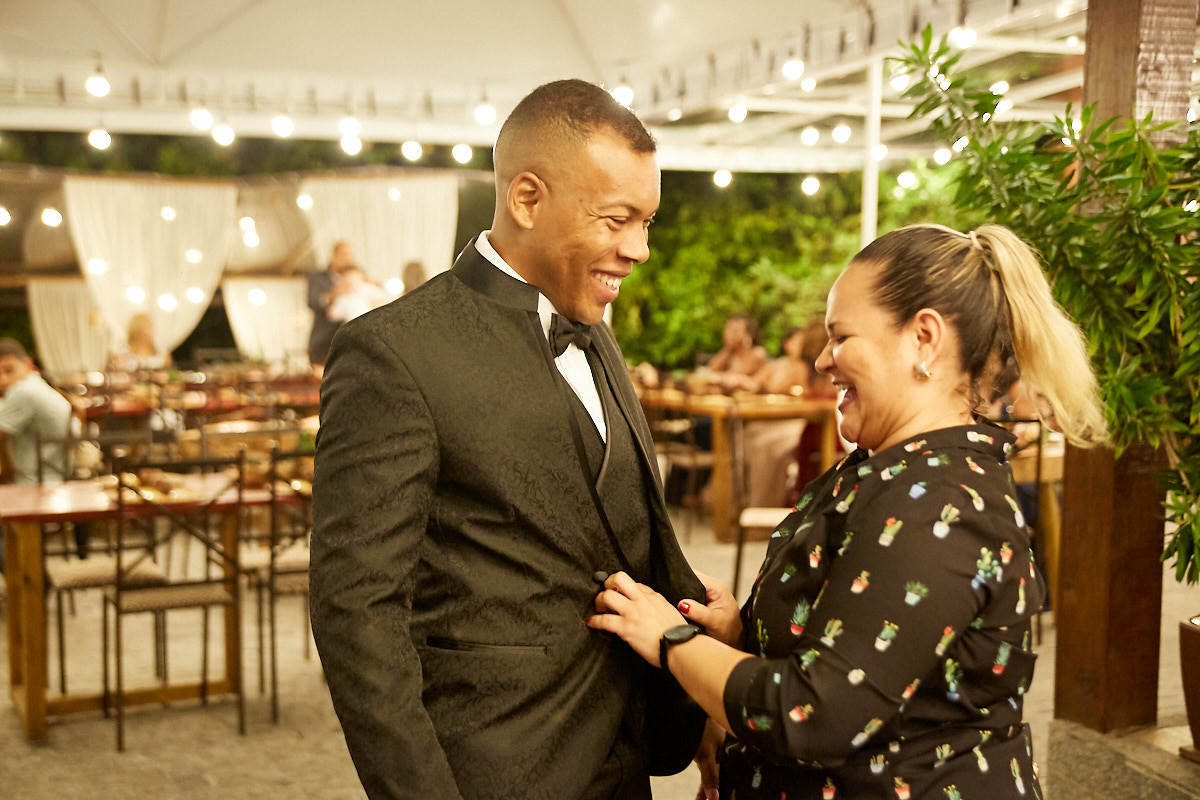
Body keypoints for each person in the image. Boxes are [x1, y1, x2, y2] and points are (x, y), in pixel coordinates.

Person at [587, 223, 1108, 798]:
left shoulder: (942, 504)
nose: (821, 361)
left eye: (840, 338)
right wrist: (740, 636)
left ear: (924, 340)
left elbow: (816, 714)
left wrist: (673, 642)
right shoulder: (889, 467)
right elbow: (864, 643)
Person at [309, 79, 707, 800]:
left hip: (623, 764)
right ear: (526, 199)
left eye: (647, 222)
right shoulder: (392, 352)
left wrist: (701, 682)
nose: (640, 249)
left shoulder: (596, 332)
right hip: (494, 771)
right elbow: (356, 615)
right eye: (617, 220)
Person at [0, 338, 80, 570]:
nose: (3, 379)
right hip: (57, 476)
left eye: (9, 370)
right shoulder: (38, 385)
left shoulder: (23, 392)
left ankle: (24, 574)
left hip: (36, 484)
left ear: (27, 364)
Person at [306, 240, 356, 367]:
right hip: (323, 343)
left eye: (350, 255)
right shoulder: (317, 278)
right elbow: (312, 302)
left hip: (351, 344)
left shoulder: (357, 278)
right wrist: (332, 296)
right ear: (334, 255)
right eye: (343, 254)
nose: (347, 259)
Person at [695, 315, 768, 394]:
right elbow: (707, 373)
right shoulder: (728, 352)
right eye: (727, 329)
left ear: (748, 335)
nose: (728, 334)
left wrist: (719, 378)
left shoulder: (757, 353)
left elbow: (735, 379)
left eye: (735, 331)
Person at [326, 266, 391, 323]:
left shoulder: (367, 288)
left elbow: (383, 299)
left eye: (354, 279)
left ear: (362, 278)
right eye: (348, 280)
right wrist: (334, 295)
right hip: (352, 326)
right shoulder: (343, 297)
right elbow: (333, 315)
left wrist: (377, 305)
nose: (352, 282)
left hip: (370, 320)